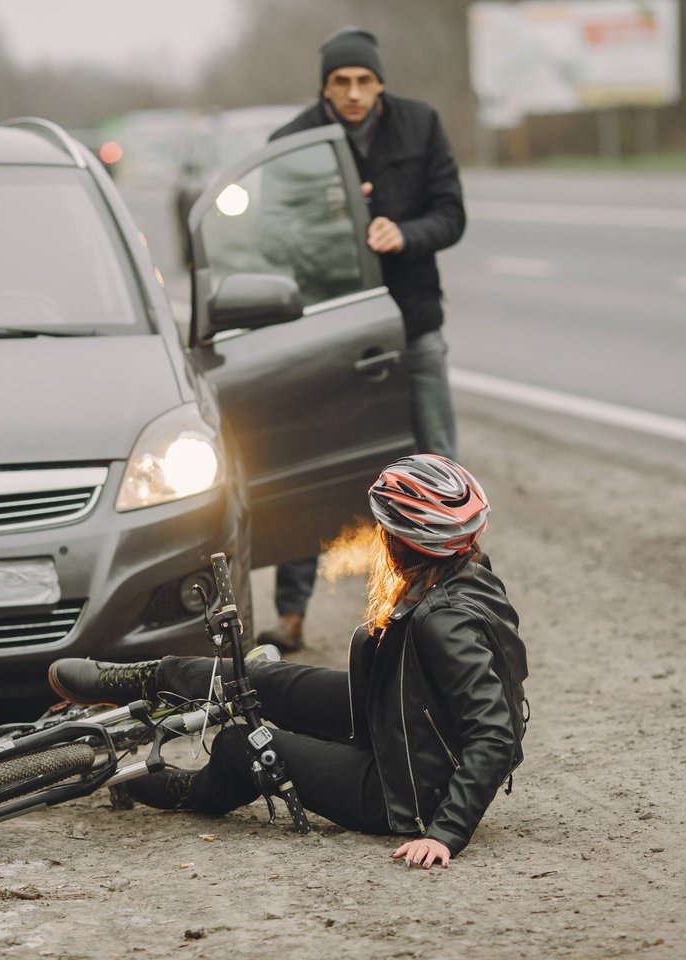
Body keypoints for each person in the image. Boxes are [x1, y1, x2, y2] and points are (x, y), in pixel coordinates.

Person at [48, 455, 528, 868]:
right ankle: (144, 678)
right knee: (259, 678)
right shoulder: (461, 575)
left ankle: (191, 791)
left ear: (405, 540)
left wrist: (445, 833)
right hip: (396, 722)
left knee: (242, 743)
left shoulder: (446, 621)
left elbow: (495, 732)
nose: (379, 537)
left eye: (385, 529)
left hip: (403, 790)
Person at [258, 27, 466, 654]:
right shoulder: (290, 143)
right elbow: (273, 237)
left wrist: (404, 233)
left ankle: (453, 603)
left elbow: (451, 214)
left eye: (364, 81)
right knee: (307, 464)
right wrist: (336, 224)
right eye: (340, 81)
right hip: (325, 330)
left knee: (437, 464)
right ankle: (291, 615)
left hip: (411, 322)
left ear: (380, 83)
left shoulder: (420, 124)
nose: (353, 92)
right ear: (324, 86)